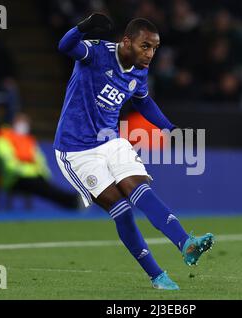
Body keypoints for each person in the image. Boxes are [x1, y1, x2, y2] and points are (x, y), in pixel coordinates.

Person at [54, 13, 215, 290]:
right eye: (145, 46)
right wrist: (83, 27)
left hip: (110, 140)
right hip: (75, 150)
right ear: (127, 42)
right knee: (123, 210)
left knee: (139, 188)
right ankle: (157, 275)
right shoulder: (96, 52)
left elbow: (143, 101)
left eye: (155, 47)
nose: (151, 53)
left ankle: (186, 243)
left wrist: (169, 128)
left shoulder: (139, 69)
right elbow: (65, 47)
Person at [0, 113, 80, 210]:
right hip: (13, 179)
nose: (24, 125)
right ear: (13, 123)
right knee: (42, 187)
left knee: (45, 187)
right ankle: (72, 201)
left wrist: (44, 175)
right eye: (21, 122)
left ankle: (72, 202)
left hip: (32, 177)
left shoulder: (28, 141)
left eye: (26, 122)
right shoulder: (3, 138)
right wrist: (24, 172)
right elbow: (7, 162)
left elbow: (40, 160)